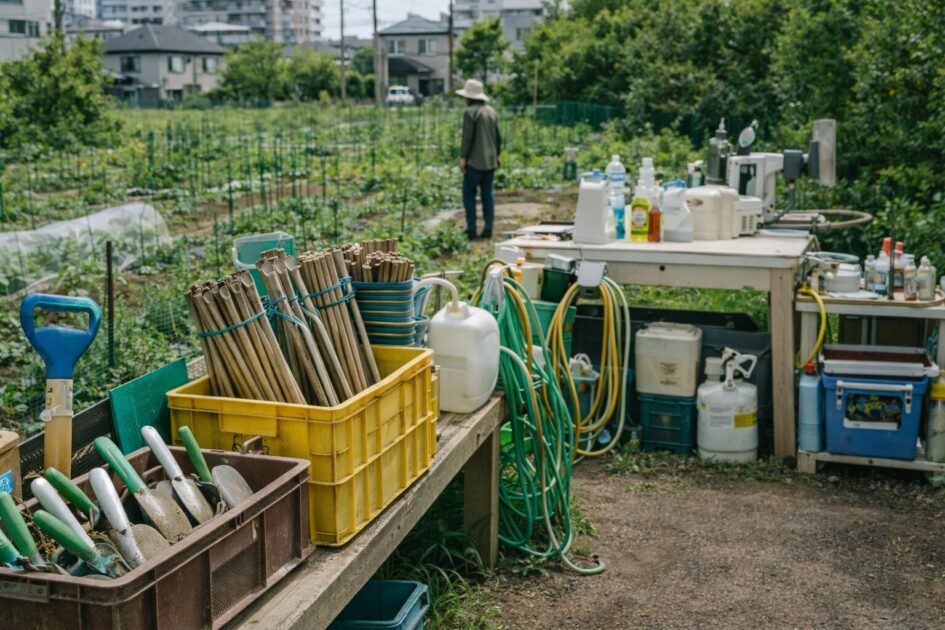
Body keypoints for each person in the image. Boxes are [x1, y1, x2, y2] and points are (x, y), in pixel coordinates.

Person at [457, 78, 501, 240]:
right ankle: (488, 228)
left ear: (469, 97)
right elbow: (497, 137)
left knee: (469, 194)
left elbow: (467, 138)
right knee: (487, 195)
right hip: (489, 161)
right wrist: (496, 155)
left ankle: (472, 230)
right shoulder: (491, 111)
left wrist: (463, 157)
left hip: (475, 161)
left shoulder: (470, 113)